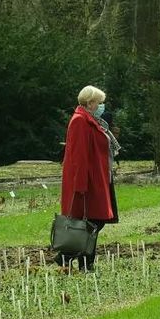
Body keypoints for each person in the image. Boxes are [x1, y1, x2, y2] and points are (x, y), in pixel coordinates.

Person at [58, 86, 118, 271]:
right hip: (88, 182)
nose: (101, 106)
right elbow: (78, 156)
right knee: (91, 222)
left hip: (98, 177)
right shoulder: (80, 121)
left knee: (93, 222)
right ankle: (74, 258)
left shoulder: (91, 120)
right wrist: (80, 185)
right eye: (99, 103)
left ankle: (75, 259)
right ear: (90, 103)